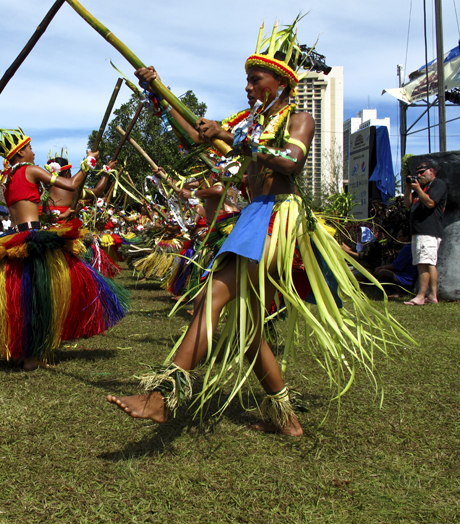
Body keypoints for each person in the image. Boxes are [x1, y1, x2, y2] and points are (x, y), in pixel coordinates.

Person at [107, 21, 412, 434]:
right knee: (247, 329)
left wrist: (234, 139)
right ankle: (286, 420)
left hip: (278, 217)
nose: (248, 87)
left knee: (213, 297)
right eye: (246, 80)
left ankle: (160, 396)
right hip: (253, 217)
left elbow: (289, 162)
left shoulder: (298, 117)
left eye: (255, 79)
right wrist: (159, 94)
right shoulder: (248, 122)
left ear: (281, 83)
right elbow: (197, 134)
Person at [0, 127, 130, 371]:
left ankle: (25, 350)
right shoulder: (30, 169)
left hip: (14, 239)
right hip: (33, 239)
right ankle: (34, 353)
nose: (33, 152)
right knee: (46, 293)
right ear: (20, 152)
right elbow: (71, 184)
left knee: (22, 297)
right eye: (29, 148)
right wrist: (89, 162)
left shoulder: (6, 178)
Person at [403, 160, 447, 305]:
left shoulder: (437, 184)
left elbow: (430, 203)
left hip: (428, 230)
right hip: (419, 230)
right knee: (429, 263)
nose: (419, 175)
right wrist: (409, 188)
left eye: (422, 172)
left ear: (431, 171)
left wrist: (419, 190)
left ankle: (421, 296)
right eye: (418, 173)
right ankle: (432, 296)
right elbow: (408, 204)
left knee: (424, 262)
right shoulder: (422, 187)